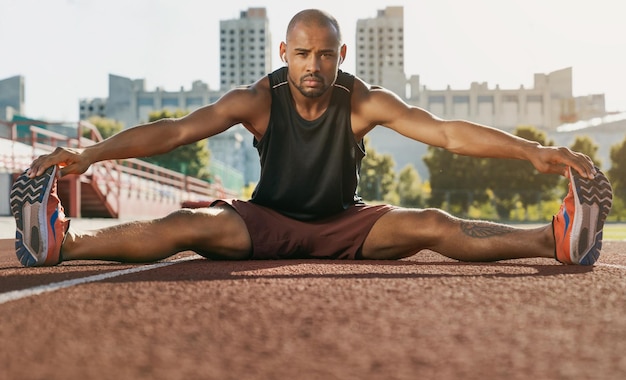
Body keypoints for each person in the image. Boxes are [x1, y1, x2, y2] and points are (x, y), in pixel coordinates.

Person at [10, 9, 613, 268]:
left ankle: (556, 239)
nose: (313, 66)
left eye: (325, 54)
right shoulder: (257, 100)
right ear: (284, 53)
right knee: (183, 226)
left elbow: (448, 133)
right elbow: (175, 130)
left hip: (345, 224)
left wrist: (532, 150)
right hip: (263, 221)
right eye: (302, 54)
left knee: (432, 222)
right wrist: (88, 154)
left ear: (340, 54)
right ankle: (59, 247)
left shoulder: (362, 101)